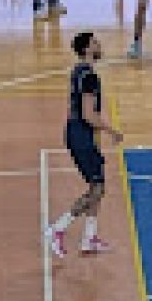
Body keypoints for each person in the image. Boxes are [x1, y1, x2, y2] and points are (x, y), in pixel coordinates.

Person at [46, 32, 122, 258]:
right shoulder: (89, 77)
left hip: (79, 133)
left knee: (97, 185)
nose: (99, 45)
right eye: (95, 42)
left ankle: (89, 239)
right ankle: (57, 229)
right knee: (97, 188)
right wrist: (111, 131)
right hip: (81, 135)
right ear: (88, 49)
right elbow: (88, 114)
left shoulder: (78, 71)